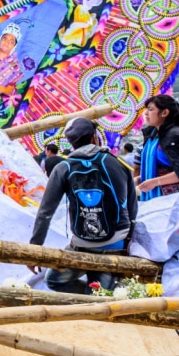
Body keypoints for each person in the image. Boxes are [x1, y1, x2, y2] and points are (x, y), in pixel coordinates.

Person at [29, 116, 138, 294]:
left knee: (55, 281)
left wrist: (34, 249)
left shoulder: (63, 168)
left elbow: (45, 212)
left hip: (81, 242)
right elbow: (132, 208)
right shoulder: (117, 163)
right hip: (116, 242)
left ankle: (88, 295)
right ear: (94, 137)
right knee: (101, 294)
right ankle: (93, 294)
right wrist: (127, 241)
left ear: (70, 142)